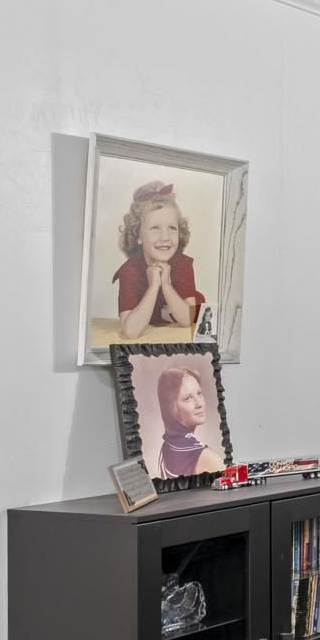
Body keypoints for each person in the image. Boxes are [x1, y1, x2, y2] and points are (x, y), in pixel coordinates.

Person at [113, 180, 205, 338]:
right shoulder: (129, 271)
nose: (165, 237)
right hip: (147, 317)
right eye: (155, 228)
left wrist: (166, 285)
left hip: (181, 312)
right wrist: (154, 285)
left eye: (172, 228)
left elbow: (187, 319)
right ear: (138, 235)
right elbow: (131, 331)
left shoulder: (183, 264)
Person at [155, 363, 224, 479]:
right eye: (188, 398)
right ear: (171, 407)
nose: (200, 404)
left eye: (199, 393)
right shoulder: (207, 458)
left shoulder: (166, 446)